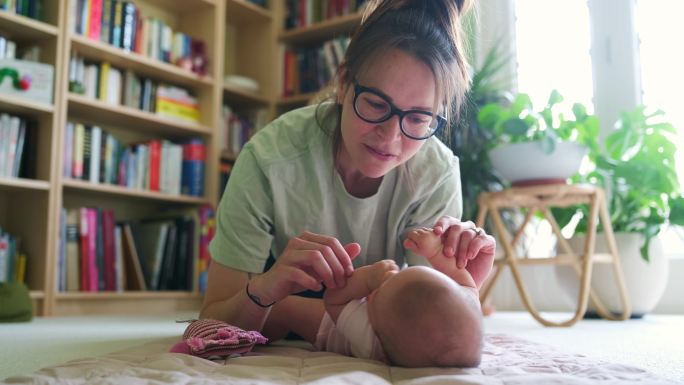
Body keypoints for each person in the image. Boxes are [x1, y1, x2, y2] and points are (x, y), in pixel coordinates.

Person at [200, 0, 496, 348]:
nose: (390, 136)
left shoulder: (436, 172)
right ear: (343, 83)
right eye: (375, 103)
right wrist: (266, 291)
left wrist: (464, 284)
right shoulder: (269, 159)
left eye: (418, 118)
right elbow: (211, 326)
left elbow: (427, 331)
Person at [315, 227, 486, 367]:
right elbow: (466, 285)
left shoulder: (371, 343)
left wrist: (368, 279)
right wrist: (436, 252)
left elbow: (333, 300)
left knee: (290, 308)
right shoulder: (468, 312)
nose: (370, 294)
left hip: (333, 328)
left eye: (378, 289)